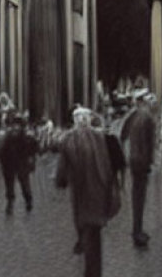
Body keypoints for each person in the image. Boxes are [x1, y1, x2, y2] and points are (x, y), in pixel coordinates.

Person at [56, 106, 120, 277]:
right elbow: (110, 163)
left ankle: (90, 270)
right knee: (95, 229)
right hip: (99, 189)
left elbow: (62, 170)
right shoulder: (100, 137)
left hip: (80, 192)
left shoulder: (69, 139)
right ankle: (94, 269)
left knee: (85, 226)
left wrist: (61, 180)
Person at [119, 89, 156, 247]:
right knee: (140, 197)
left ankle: (137, 229)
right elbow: (151, 144)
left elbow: (122, 135)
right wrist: (150, 162)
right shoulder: (148, 118)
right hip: (142, 162)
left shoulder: (133, 116)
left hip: (133, 160)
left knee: (136, 196)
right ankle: (137, 232)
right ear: (145, 101)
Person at [0, 110, 38, 214]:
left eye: (18, 125)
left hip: (21, 162)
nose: (16, 127)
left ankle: (28, 200)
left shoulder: (26, 138)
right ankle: (10, 203)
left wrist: (31, 160)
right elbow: (3, 150)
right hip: (9, 163)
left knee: (24, 182)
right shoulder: (8, 137)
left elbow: (33, 149)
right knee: (9, 184)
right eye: (14, 125)